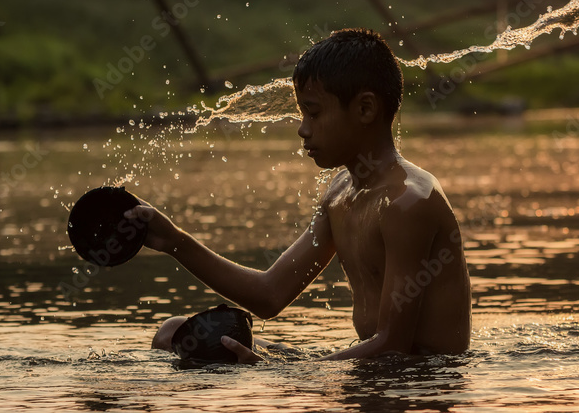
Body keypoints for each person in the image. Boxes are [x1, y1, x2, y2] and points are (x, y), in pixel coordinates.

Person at [125, 28, 471, 362]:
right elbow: (269, 295)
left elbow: (393, 347)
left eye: (315, 113)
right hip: (370, 364)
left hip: (418, 377)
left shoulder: (407, 203)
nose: (303, 130)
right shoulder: (340, 193)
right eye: (302, 114)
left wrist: (289, 376)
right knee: (173, 335)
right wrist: (174, 241)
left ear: (366, 109)